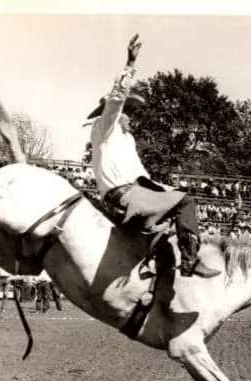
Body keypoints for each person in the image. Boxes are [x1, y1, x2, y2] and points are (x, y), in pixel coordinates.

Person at [87, 34, 219, 278]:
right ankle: (189, 261)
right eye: (128, 112)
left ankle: (150, 269)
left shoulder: (126, 139)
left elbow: (142, 177)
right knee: (186, 202)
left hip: (133, 192)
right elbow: (116, 100)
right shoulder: (106, 128)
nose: (131, 116)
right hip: (125, 194)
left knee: (170, 223)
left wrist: (164, 193)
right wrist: (130, 63)